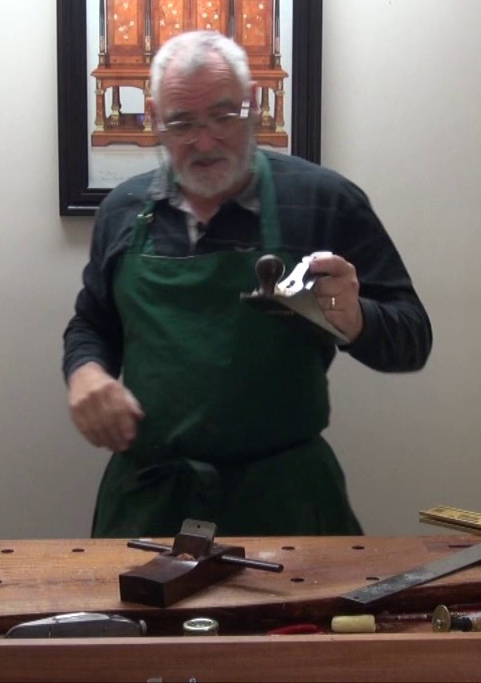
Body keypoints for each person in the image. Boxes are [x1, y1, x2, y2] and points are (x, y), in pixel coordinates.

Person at [63, 30, 431, 539]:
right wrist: (85, 372)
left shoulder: (325, 202)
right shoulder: (123, 212)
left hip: (287, 503)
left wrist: (358, 320)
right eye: (183, 123)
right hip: (151, 503)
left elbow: (414, 337)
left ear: (253, 105)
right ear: (156, 123)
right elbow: (92, 322)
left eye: (222, 116)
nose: (205, 141)